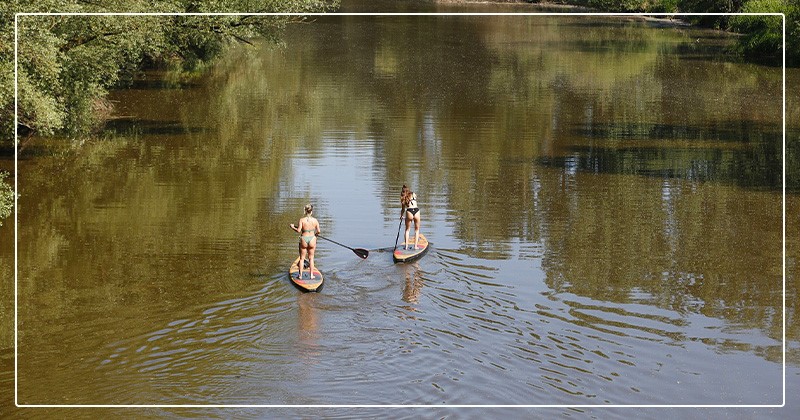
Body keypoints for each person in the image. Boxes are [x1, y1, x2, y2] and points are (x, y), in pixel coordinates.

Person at [289, 204, 320, 279]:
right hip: (312, 239)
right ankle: (312, 275)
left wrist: (293, 227)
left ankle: (300, 275)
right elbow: (318, 231)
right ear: (311, 211)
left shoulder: (302, 220)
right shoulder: (315, 220)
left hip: (304, 239)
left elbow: (299, 230)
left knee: (302, 258)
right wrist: (315, 235)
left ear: (305, 211)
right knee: (311, 258)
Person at [400, 185, 421, 250]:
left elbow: (403, 210)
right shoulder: (413, 194)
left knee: (407, 230)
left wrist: (401, 216)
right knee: (417, 230)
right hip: (416, 211)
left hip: (409, 211)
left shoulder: (403, 198)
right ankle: (415, 246)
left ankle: (406, 247)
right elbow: (415, 197)